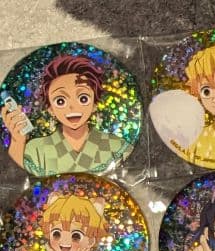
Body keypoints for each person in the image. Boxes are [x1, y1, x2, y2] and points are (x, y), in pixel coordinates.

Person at [2, 55, 130, 175]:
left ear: (94, 104)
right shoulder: (36, 149)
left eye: (83, 98)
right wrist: (17, 141)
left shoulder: (116, 146)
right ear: (50, 109)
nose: (72, 107)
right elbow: (17, 179)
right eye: (60, 101)